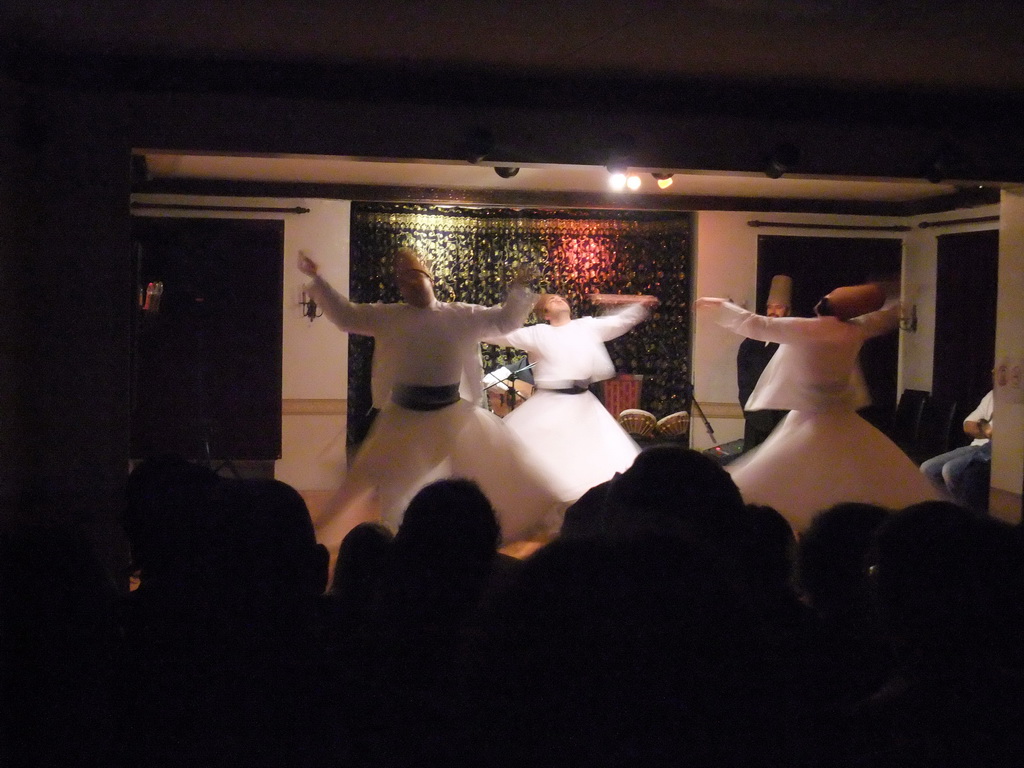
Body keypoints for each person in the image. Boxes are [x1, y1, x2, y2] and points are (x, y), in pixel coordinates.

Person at [298, 248, 562, 555]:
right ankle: (384, 539)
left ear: (429, 278)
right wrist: (316, 279)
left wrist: (519, 289)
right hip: (403, 415)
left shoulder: (461, 314)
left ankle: (479, 533)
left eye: (415, 276)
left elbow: (505, 321)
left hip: (452, 414)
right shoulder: (388, 316)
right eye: (403, 280)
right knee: (378, 481)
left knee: (496, 468)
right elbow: (345, 315)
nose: (410, 285)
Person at [695, 283, 942, 533]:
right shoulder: (854, 331)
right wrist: (896, 303)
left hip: (809, 418)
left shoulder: (810, 328)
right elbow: (878, 320)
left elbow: (757, 325)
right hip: (843, 419)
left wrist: (719, 307)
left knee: (787, 477)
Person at [483, 291, 657, 503]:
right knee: (540, 464)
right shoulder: (538, 333)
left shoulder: (586, 327)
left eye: (560, 298)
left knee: (595, 462)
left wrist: (638, 303)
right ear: (545, 315)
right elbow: (500, 333)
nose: (557, 299)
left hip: (583, 404)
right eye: (550, 301)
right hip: (549, 404)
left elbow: (621, 321)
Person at [737, 274, 792, 451]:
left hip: (783, 423)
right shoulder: (750, 344)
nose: (773, 312)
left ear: (788, 311)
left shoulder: (793, 343)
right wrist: (753, 412)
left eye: (779, 307)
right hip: (755, 419)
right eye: (770, 307)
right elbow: (744, 383)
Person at [920, 389, 993, 513]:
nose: (994, 373)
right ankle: (946, 510)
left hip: (995, 448)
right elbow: (968, 425)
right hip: (976, 444)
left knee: (950, 470)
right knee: (927, 468)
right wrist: (986, 430)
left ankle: (962, 514)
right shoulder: (992, 395)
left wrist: (983, 427)